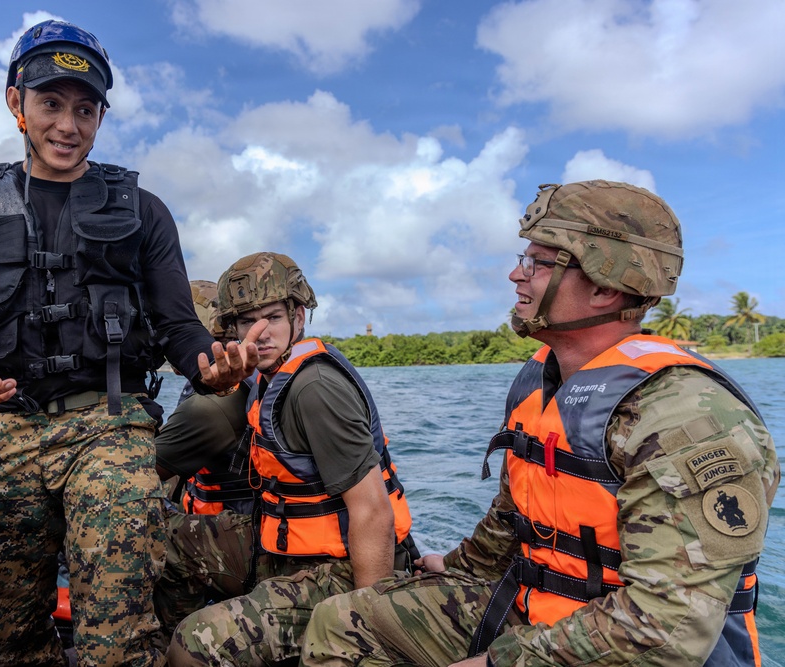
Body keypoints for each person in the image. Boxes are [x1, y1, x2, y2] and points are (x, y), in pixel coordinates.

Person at [299, 180, 779, 667]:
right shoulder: (542, 382)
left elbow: (666, 629)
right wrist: (458, 567)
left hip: (626, 647)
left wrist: (496, 663)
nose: (515, 274)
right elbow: (516, 517)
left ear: (604, 287)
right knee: (344, 621)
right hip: (535, 612)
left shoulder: (685, 416)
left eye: (539, 264)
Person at [0, 20, 258, 666]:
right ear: (17, 104)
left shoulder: (144, 211)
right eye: (51, 105)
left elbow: (181, 327)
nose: (68, 125)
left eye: (86, 109)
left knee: (117, 632)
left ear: (100, 116)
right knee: (4, 635)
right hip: (6, 424)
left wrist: (211, 366)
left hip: (109, 423)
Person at [167, 251, 416, 666]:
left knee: (196, 641)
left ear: (299, 317)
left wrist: (365, 624)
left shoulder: (313, 386)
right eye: (247, 322)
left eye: (273, 318)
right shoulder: (269, 376)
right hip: (284, 547)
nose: (260, 333)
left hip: (338, 569)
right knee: (161, 541)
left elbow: (373, 512)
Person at [152, 280, 257, 639]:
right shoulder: (245, 373)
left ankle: (166, 637)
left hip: (254, 538)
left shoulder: (216, 403)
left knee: (139, 527)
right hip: (252, 524)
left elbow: (142, 470)